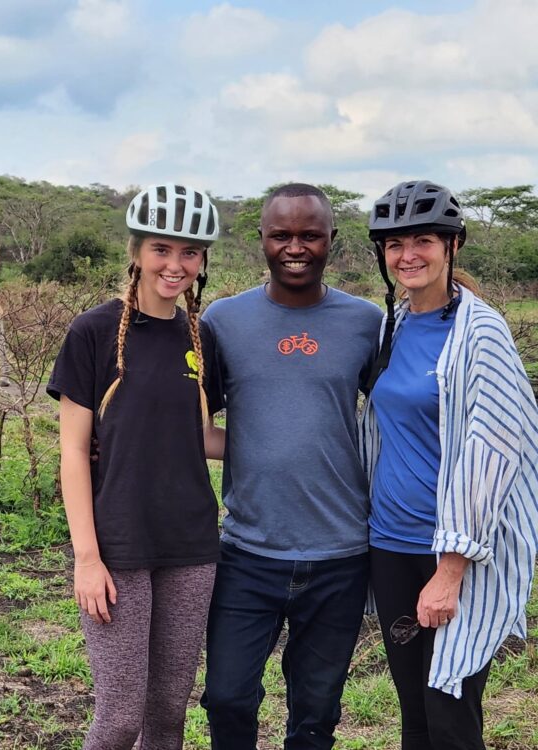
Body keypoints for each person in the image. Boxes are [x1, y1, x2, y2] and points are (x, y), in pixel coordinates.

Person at [199, 183, 383, 749]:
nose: (295, 246)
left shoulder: (368, 322)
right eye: (282, 235)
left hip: (341, 553)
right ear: (261, 239)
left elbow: (393, 418)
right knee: (227, 696)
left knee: (317, 707)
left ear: (333, 240)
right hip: (248, 549)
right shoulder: (222, 321)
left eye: (310, 234)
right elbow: (189, 420)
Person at [47, 182, 225, 749]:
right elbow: (74, 450)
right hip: (118, 547)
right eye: (161, 250)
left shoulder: (203, 338)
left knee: (169, 714)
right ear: (135, 252)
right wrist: (86, 559)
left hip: (192, 547)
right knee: (121, 717)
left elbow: (195, 437)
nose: (175, 266)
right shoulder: (93, 332)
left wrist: (290, 445)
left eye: (189, 253)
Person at [361, 180, 538, 750]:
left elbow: (495, 446)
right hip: (390, 545)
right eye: (395, 244)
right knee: (414, 710)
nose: (408, 255)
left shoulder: (480, 332)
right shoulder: (393, 325)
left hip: (452, 554)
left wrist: (451, 569)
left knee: (452, 715)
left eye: (423, 240)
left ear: (452, 246)